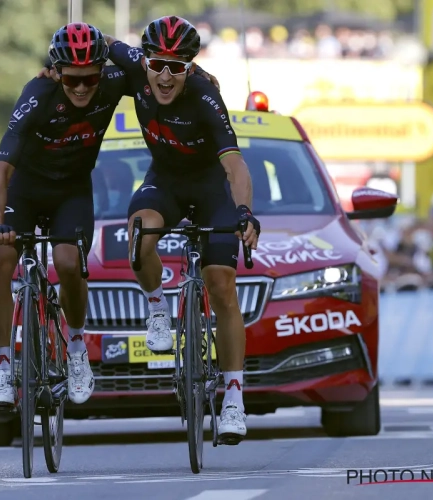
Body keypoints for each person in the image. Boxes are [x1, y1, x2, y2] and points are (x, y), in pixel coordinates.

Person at [103, 17, 260, 443]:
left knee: (221, 283)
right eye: (158, 65)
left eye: (178, 66)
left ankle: (233, 399)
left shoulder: (205, 94)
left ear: (191, 67)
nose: (166, 76)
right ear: (146, 62)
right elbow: (95, 41)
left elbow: (234, 165)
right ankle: (158, 310)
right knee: (138, 238)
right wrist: (51, 67)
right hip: (165, 182)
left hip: (209, 188)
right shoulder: (134, 66)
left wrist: (244, 211)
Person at [0, 23, 133, 409]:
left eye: (90, 78)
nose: (82, 87)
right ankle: (3, 367)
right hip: (27, 189)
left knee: (68, 262)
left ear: (102, 71)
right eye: (71, 78)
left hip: (72, 190)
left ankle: (78, 348)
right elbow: (1, 169)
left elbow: (160, 78)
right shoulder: (37, 93)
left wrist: (193, 71)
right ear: (55, 71)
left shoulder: (114, 81)